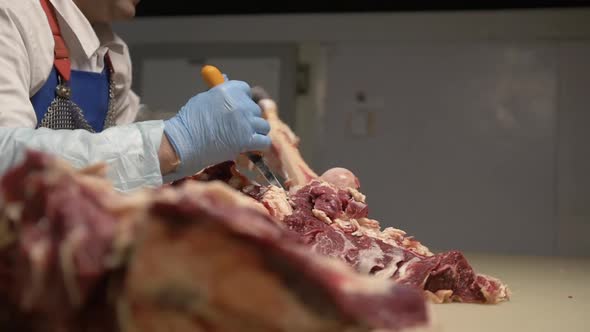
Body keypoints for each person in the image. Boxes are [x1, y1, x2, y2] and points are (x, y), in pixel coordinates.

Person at [0, 0, 271, 191]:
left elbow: (125, 139)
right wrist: (175, 141)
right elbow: (6, 161)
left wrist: (218, 135)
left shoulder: (112, 54)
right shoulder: (11, 16)